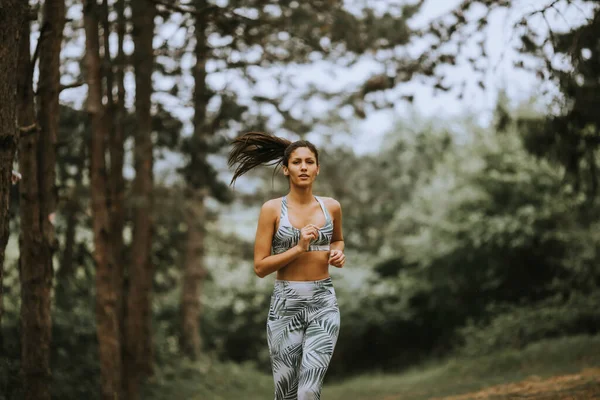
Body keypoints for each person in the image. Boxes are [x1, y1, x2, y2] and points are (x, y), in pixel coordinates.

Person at [228, 131, 345, 400]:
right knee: (286, 393)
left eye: (309, 161)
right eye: (296, 162)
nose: (303, 167)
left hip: (323, 303)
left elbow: (337, 240)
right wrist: (299, 248)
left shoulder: (332, 207)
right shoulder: (271, 209)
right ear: (285, 169)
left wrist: (337, 254)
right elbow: (260, 267)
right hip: (285, 306)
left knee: (308, 391)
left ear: (317, 168)